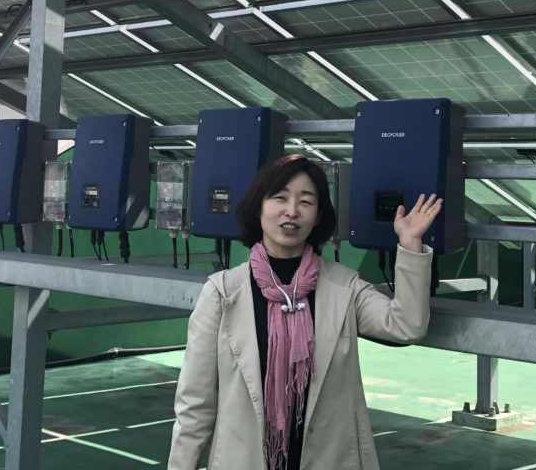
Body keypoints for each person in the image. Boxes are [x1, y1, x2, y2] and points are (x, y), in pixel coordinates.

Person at [168, 154, 441, 470]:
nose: (291, 211)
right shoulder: (223, 293)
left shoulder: (343, 286)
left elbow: (405, 325)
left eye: (306, 202)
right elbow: (195, 405)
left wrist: (410, 245)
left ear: (318, 215)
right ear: (258, 207)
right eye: (279, 198)